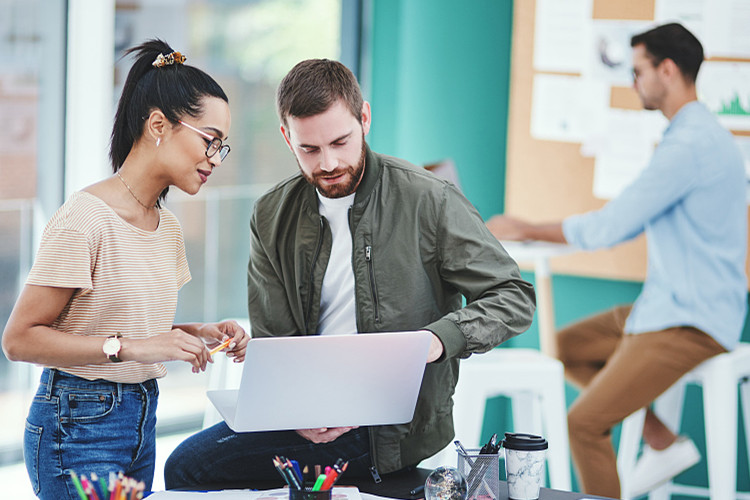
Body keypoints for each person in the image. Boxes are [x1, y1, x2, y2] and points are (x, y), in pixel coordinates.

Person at [164, 58, 536, 489]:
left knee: (188, 469)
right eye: (310, 149)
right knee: (186, 465)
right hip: (306, 409)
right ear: (287, 137)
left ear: (365, 118)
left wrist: (435, 340)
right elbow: (275, 336)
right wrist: (296, 409)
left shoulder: (429, 200)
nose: (328, 163)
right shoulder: (270, 214)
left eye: (341, 141)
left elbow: (513, 296)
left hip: (390, 430)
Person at [486, 23, 747, 498]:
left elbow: (609, 228)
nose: (632, 82)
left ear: (667, 70)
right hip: (673, 303)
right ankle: (661, 440)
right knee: (564, 348)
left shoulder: (688, 146)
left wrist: (523, 227)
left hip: (690, 318)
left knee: (584, 425)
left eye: (638, 70)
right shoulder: (700, 134)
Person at [1, 39, 249, 499]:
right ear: (159, 124)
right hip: (78, 425)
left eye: (223, 147)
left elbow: (126, 327)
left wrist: (196, 333)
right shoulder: (85, 217)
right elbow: (18, 339)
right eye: (210, 141)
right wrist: (136, 347)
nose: (215, 158)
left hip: (140, 419)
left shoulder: (167, 227)